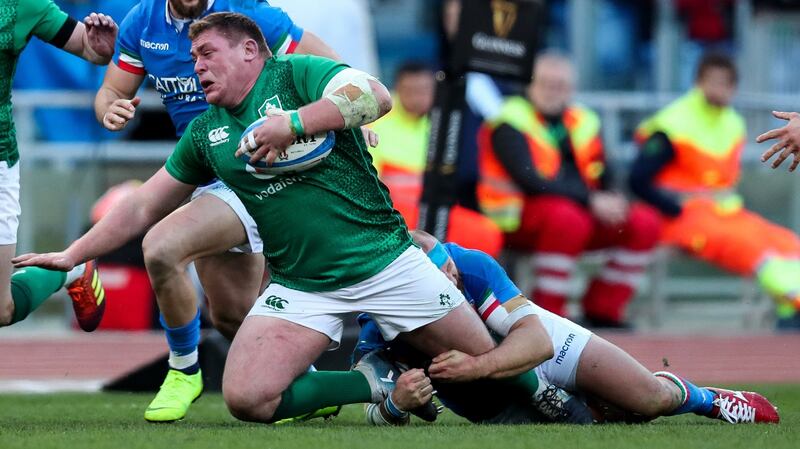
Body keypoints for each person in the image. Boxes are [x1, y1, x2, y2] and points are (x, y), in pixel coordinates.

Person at [15, 12, 545, 425]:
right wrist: (73, 254)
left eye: (205, 54)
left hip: (382, 260)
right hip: (300, 275)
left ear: (250, 51)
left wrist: (295, 123)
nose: (193, 66)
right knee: (242, 379)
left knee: (488, 364)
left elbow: (373, 93)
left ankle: (552, 395)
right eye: (191, 57)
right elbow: (140, 203)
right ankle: (378, 383)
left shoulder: (294, 72)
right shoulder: (205, 130)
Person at [94, 0, 341, 422]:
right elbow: (113, 91)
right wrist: (109, 110)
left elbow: (332, 67)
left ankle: (183, 367)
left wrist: (351, 113)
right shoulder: (141, 21)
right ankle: (315, 384)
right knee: (231, 314)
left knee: (163, 247)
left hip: (256, 169)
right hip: (204, 173)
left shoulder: (246, 13)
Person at [354, 231, 780, 425]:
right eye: (440, 281)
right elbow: (372, 396)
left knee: (649, 401)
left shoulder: (473, 265)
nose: (453, 284)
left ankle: (704, 398)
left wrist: (475, 367)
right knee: (605, 420)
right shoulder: (385, 313)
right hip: (493, 402)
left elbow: (537, 341)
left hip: (542, 346)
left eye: (450, 271)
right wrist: (397, 405)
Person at [476, 52, 661, 327]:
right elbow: (531, 181)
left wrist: (613, 199)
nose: (553, 92)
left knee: (644, 222)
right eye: (546, 84)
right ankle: (548, 317)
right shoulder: (508, 119)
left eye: (560, 85)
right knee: (567, 219)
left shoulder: (583, 119)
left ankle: (603, 309)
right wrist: (592, 200)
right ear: (530, 85)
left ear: (571, 90)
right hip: (518, 218)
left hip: (580, 214)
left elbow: (604, 172)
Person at [630, 53, 800, 327]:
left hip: (726, 212)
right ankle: (795, 306)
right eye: (713, 82)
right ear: (698, 82)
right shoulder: (673, 122)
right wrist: (674, 208)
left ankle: (789, 313)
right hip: (683, 216)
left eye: (726, 83)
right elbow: (637, 179)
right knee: (755, 250)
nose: (719, 89)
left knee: (787, 242)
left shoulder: (733, 122)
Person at [0, 1, 114, 333]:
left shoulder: (21, 4)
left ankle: (70, 271)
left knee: (2, 309)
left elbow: (89, 48)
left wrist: (101, 46)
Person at [369, 61, 503, 257]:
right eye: (410, 90)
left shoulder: (448, 123)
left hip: (437, 208)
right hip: (395, 211)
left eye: (423, 90)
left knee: (487, 233)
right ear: (397, 90)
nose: (417, 97)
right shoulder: (377, 124)